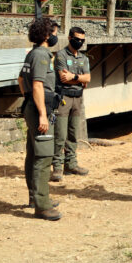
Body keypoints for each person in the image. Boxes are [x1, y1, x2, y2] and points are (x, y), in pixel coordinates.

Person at [17, 17, 62, 221]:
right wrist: (43, 113)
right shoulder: (42, 56)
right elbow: (37, 85)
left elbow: (20, 79)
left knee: (33, 153)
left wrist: (27, 99)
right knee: (43, 157)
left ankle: (35, 198)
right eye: (53, 32)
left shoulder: (32, 54)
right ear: (46, 35)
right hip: (39, 110)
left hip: (31, 107)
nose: (55, 35)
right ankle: (42, 206)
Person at [51, 26, 91, 181]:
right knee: (60, 134)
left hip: (77, 99)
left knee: (74, 134)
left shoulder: (83, 58)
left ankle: (71, 164)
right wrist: (79, 78)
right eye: (76, 39)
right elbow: (63, 78)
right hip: (63, 99)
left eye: (82, 40)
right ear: (69, 38)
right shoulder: (60, 55)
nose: (79, 42)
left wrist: (74, 76)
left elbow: (87, 78)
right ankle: (57, 167)